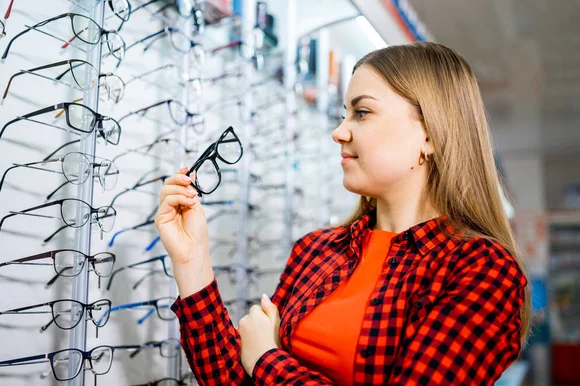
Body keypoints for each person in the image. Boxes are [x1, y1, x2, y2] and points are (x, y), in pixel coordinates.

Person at [155, 42, 530, 385]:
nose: (338, 132)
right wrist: (192, 261)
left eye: (362, 113)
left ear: (430, 134)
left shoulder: (481, 270)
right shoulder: (317, 251)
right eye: (343, 114)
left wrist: (268, 360)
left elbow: (260, 367)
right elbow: (234, 381)